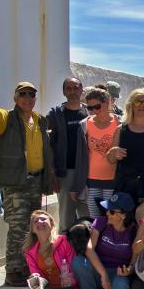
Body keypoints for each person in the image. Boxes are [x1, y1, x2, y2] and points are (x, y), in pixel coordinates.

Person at [0, 64, 55, 285]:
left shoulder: (39, 121)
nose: (27, 98)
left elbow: (46, 151)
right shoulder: (6, 119)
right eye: (23, 94)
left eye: (31, 94)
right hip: (15, 182)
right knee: (18, 226)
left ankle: (27, 266)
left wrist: (49, 178)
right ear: (15, 97)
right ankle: (13, 270)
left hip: (36, 181)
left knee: (33, 226)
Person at [71, 192, 138, 289]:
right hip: (98, 267)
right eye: (107, 210)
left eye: (112, 211)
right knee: (78, 262)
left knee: (121, 284)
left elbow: (135, 259)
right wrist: (103, 274)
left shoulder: (134, 230)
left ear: (123, 215)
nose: (107, 213)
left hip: (119, 271)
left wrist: (129, 270)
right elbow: (88, 249)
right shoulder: (100, 222)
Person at [68, 86, 119, 220]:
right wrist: (76, 185)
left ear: (107, 103)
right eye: (90, 108)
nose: (93, 111)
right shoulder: (84, 125)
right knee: (96, 221)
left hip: (113, 180)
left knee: (113, 219)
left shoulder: (120, 123)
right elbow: (80, 157)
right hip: (92, 181)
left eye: (97, 107)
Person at [47, 77, 87, 229]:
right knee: (66, 217)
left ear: (81, 89)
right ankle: (65, 251)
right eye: (68, 88)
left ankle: (85, 251)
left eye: (75, 88)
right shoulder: (56, 114)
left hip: (86, 173)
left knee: (87, 216)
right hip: (65, 173)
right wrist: (52, 175)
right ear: (63, 91)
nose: (72, 91)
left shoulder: (89, 113)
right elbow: (49, 146)